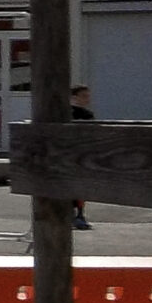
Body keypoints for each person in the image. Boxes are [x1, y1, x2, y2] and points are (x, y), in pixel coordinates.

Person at [70, 83, 97, 230]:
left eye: (88, 96)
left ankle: (79, 214)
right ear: (74, 97)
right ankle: (73, 214)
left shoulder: (88, 114)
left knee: (80, 189)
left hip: (82, 156)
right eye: (84, 96)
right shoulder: (67, 113)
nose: (87, 99)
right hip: (69, 155)